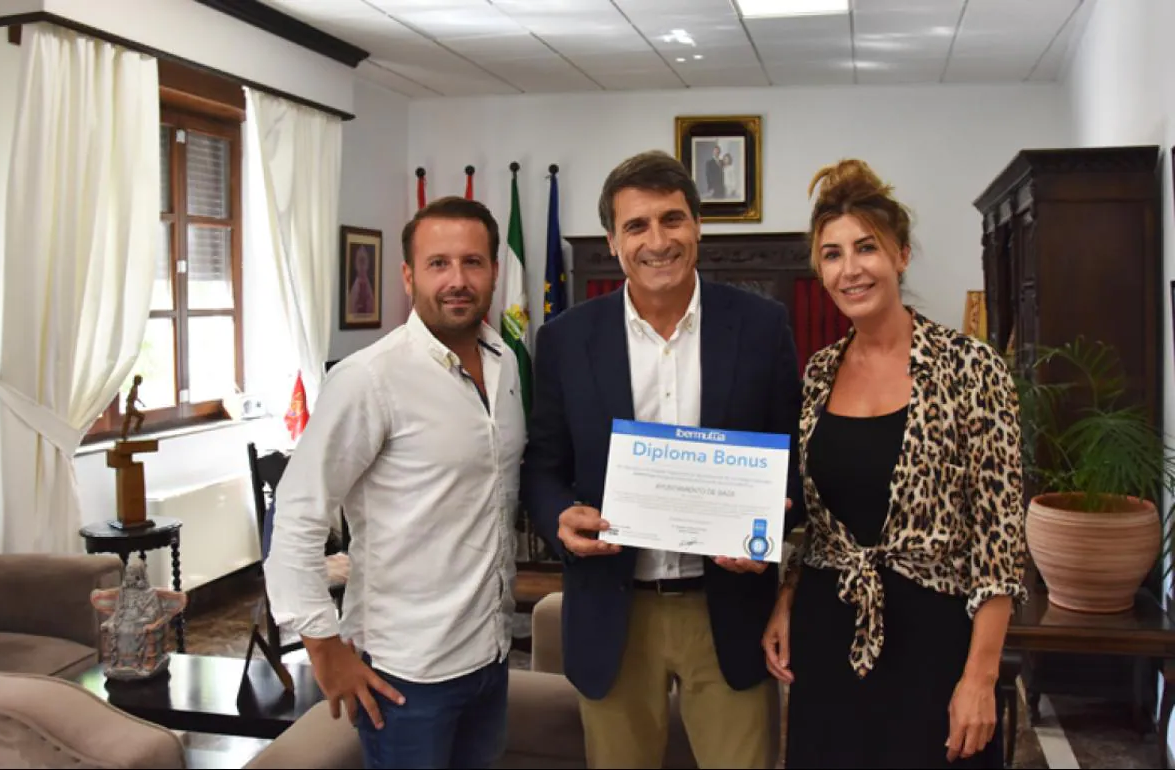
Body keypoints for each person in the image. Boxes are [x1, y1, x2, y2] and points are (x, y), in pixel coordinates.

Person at [522, 149, 803, 769]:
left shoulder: (760, 326)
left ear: (698, 226)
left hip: (727, 607)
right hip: (614, 612)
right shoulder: (567, 340)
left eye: (672, 220)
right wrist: (560, 517)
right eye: (637, 226)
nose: (658, 241)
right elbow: (541, 465)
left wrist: (768, 526)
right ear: (613, 241)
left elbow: (792, 462)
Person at [763, 159, 1027, 769]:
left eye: (866, 248)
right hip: (829, 636)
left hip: (934, 642)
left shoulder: (971, 368)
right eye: (832, 255)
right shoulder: (819, 372)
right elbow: (817, 523)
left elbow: (999, 544)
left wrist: (980, 679)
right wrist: (785, 601)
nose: (849, 269)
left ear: (901, 256)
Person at [264, 196, 526, 769]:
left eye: (472, 262)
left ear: (493, 273)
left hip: (491, 657)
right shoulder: (368, 379)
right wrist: (324, 647)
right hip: (409, 677)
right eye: (438, 264)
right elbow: (298, 514)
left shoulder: (507, 363)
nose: (457, 280)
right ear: (408, 276)